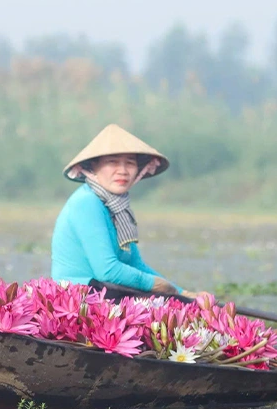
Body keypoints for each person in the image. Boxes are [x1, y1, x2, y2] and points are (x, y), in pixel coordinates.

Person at [49, 124, 193, 296]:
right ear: (92, 167)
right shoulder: (87, 202)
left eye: (130, 163)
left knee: (194, 304)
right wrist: (157, 285)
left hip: (105, 288)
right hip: (79, 293)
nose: (123, 171)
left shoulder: (118, 208)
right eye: (113, 162)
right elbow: (107, 270)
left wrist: (180, 292)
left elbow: (134, 264)